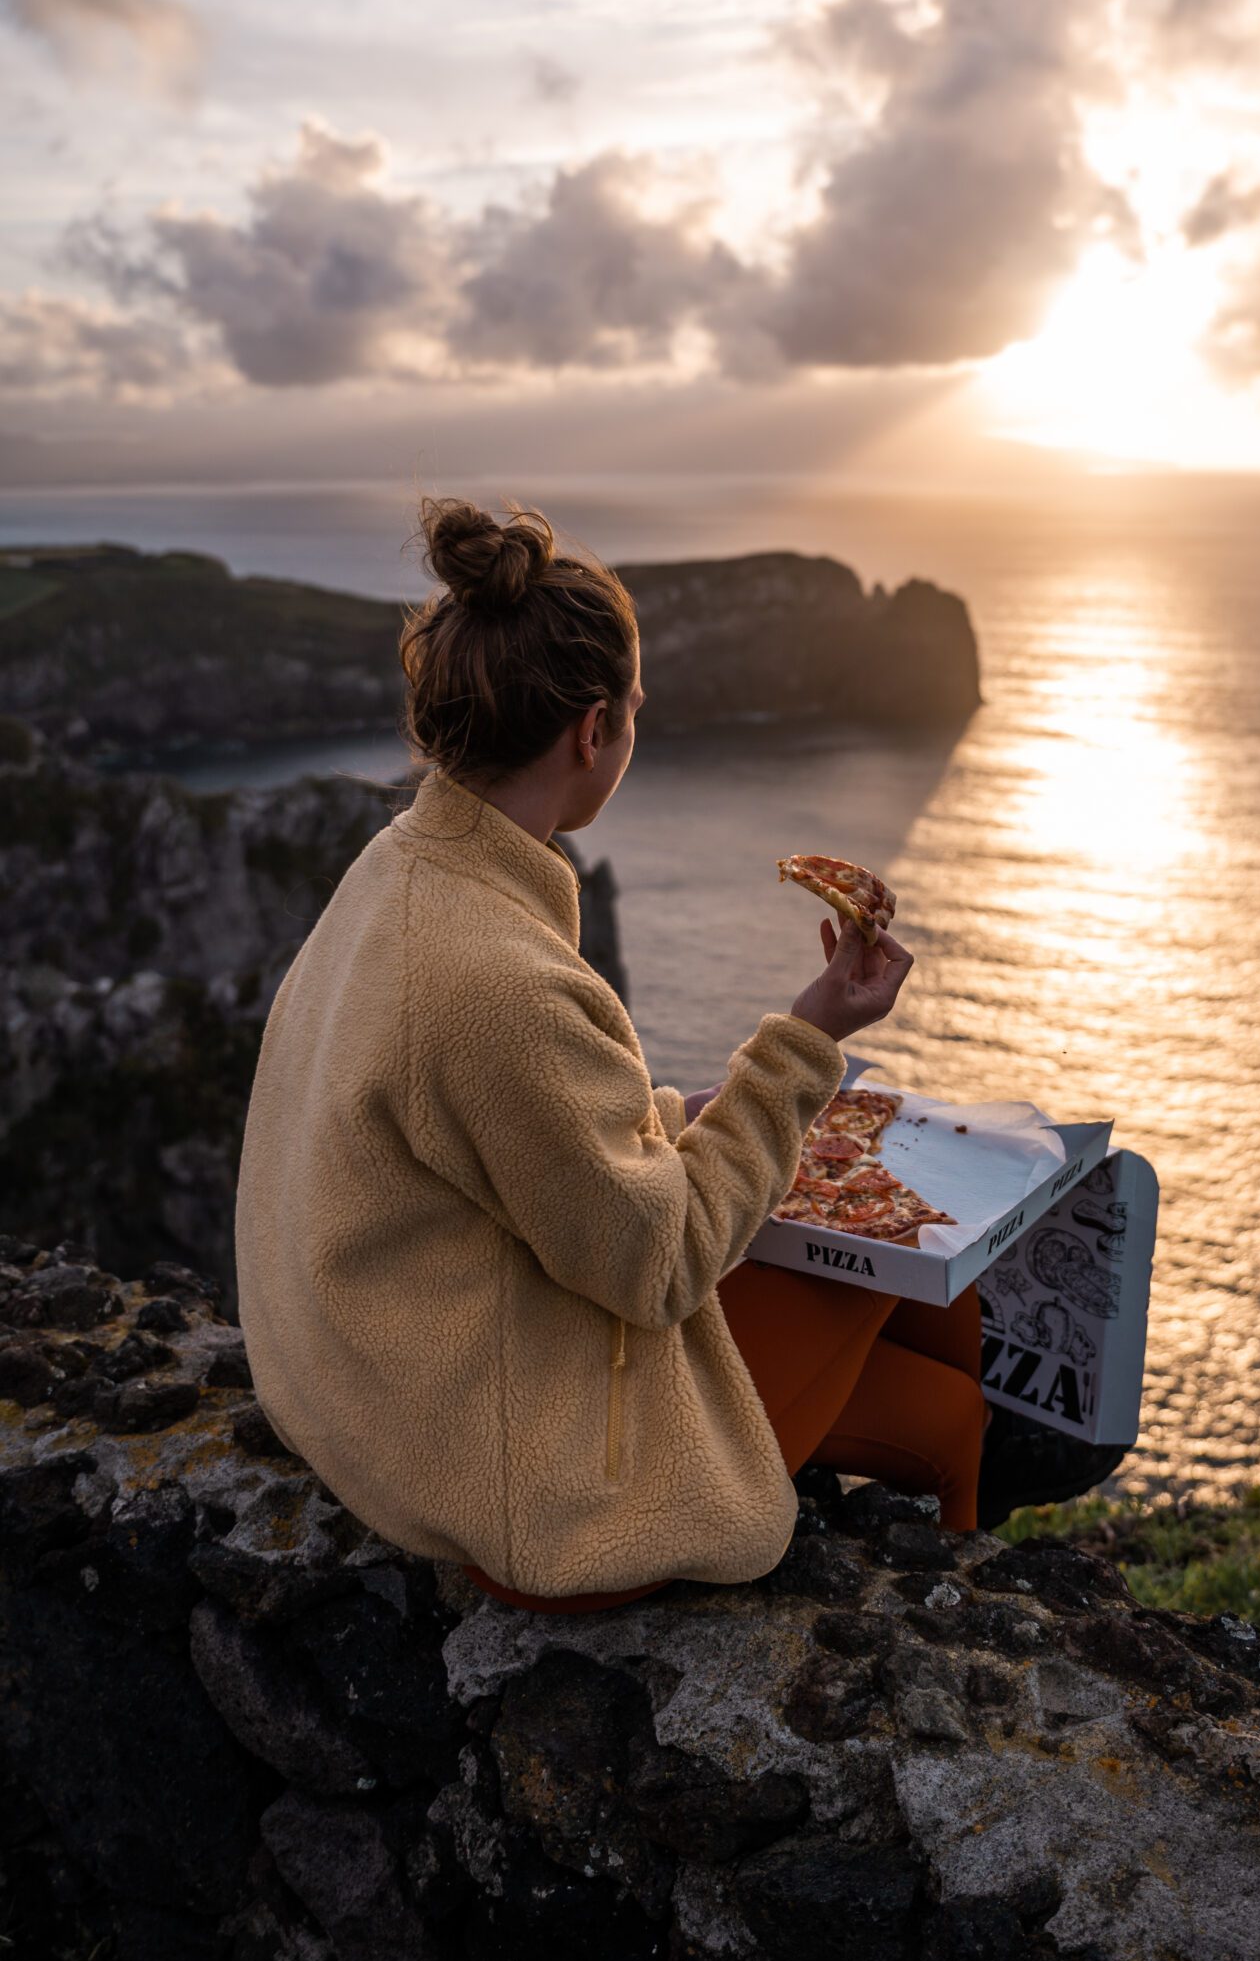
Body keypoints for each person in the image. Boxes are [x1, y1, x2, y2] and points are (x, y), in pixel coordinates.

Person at [234, 494, 998, 1612]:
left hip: (381, 1376)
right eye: (635, 710)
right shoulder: (499, 980)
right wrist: (805, 1043)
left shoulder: (399, 872)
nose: (635, 730)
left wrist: (662, 1114)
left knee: (931, 1328)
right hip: (502, 1467)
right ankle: (966, 1600)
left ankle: (962, 1497)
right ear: (591, 730)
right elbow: (660, 1263)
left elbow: (484, 1124)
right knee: (938, 1347)